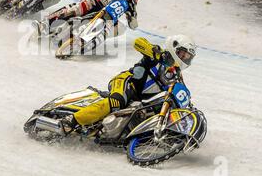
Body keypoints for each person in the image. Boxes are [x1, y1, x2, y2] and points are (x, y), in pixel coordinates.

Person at [61, 34, 197, 132]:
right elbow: (138, 42)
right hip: (127, 83)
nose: (184, 58)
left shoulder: (177, 75)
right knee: (117, 102)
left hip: (140, 100)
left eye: (187, 57)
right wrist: (154, 51)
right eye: (183, 54)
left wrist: (189, 109)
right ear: (174, 48)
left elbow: (180, 93)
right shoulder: (159, 55)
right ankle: (72, 120)